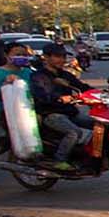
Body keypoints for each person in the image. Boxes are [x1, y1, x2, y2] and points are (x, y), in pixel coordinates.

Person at [29, 42, 95, 170]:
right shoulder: (38, 77)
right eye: (57, 56)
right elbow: (41, 95)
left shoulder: (65, 75)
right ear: (46, 58)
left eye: (63, 57)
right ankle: (59, 160)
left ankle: (83, 153)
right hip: (50, 114)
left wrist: (100, 93)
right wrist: (59, 98)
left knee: (101, 125)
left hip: (69, 112)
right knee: (74, 132)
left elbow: (81, 87)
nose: (62, 60)